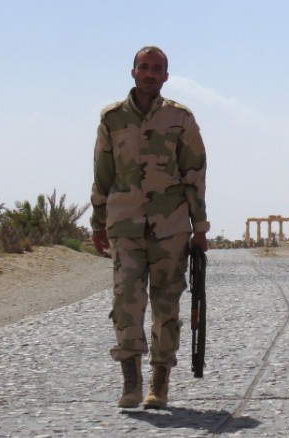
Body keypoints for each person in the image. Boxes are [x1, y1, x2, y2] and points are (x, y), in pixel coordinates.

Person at [90, 46, 210, 409]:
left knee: (166, 304)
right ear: (133, 72)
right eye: (144, 67)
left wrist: (200, 227)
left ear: (166, 76)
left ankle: (159, 383)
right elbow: (102, 172)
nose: (149, 73)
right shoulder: (112, 118)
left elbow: (195, 174)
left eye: (156, 69)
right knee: (126, 302)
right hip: (125, 224)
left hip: (170, 227)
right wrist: (97, 221)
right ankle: (130, 381)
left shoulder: (180, 118)